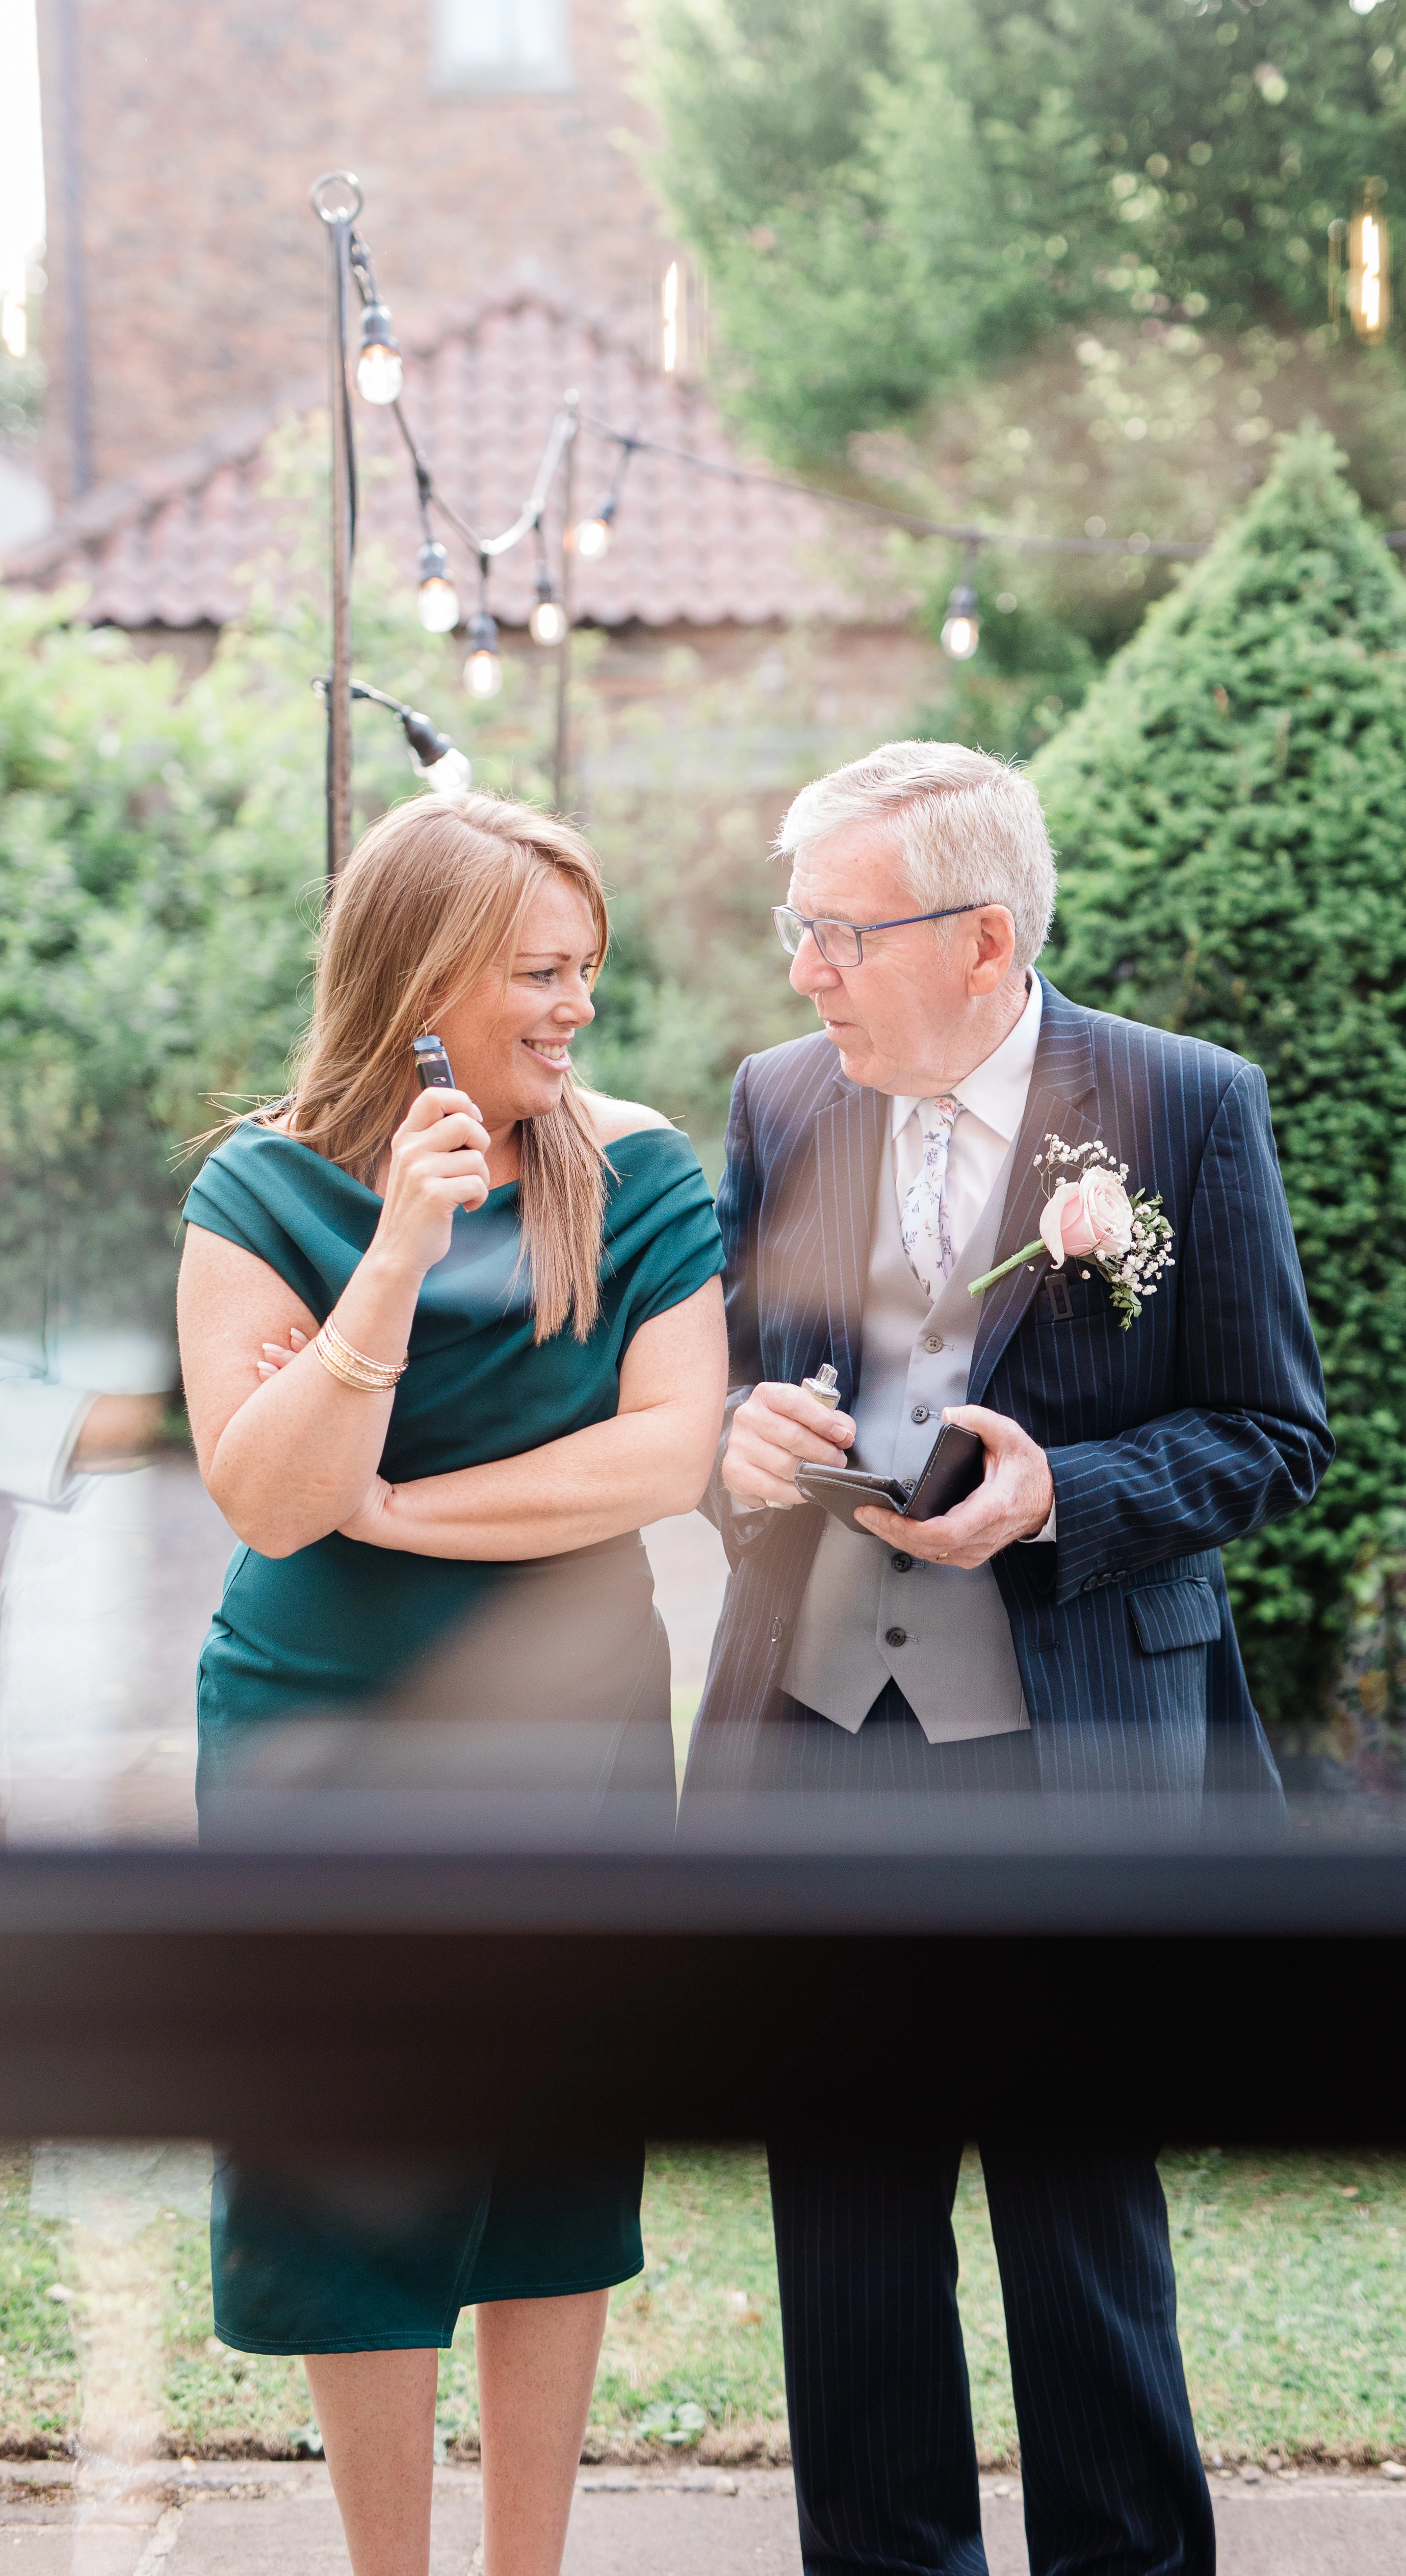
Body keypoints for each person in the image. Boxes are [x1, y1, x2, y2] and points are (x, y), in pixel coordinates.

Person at [687, 743, 1330, 2576]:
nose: (803, 968)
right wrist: (736, 1445)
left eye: (840, 930)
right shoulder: (779, 1096)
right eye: (797, 925)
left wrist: (1067, 1494)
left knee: (1079, 2217)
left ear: (981, 940)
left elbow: (1271, 1432)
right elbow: (723, 1389)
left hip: (1073, 1739)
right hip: (817, 1729)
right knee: (846, 2223)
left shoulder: (1183, 1104)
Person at [175, 790, 724, 2576]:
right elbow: (269, 1501)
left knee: (552, 2152)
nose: (578, 1008)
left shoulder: (638, 1173)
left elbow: (665, 1456)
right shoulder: (258, 1189)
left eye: (587, 970)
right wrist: (393, 1262)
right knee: (349, 2156)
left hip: (574, 1726)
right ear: (420, 979)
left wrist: (397, 1505)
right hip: (316, 1728)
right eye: (540, 974)